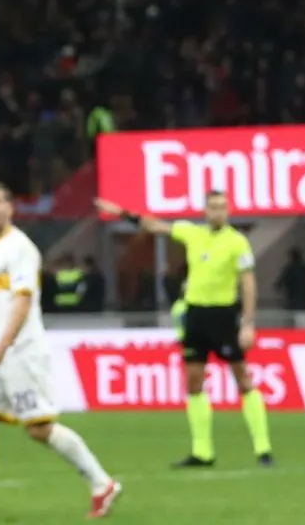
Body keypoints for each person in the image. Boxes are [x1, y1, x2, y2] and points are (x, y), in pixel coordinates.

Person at [0, 183, 120, 520]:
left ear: (11, 208)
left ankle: (101, 484)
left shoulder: (20, 248)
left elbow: (23, 299)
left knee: (38, 427)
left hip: (22, 350)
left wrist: (1, 346)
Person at [95, 192, 273, 469]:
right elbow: (154, 225)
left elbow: (248, 283)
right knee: (193, 382)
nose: (218, 212)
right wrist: (121, 212)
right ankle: (202, 452)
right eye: (213, 207)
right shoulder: (191, 233)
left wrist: (248, 323)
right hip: (196, 315)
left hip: (224, 315)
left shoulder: (237, 242)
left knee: (242, 379)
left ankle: (263, 449)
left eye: (223, 207)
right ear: (205, 210)